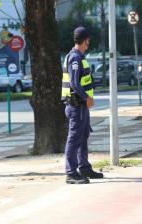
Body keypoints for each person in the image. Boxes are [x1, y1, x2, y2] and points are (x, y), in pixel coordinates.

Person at [61, 27, 103, 184]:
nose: (89, 43)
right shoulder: (75, 58)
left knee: (83, 136)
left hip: (80, 106)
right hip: (76, 105)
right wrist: (86, 98)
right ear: (86, 40)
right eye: (88, 40)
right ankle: (71, 172)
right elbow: (74, 83)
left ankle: (84, 167)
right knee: (74, 138)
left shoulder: (79, 56)